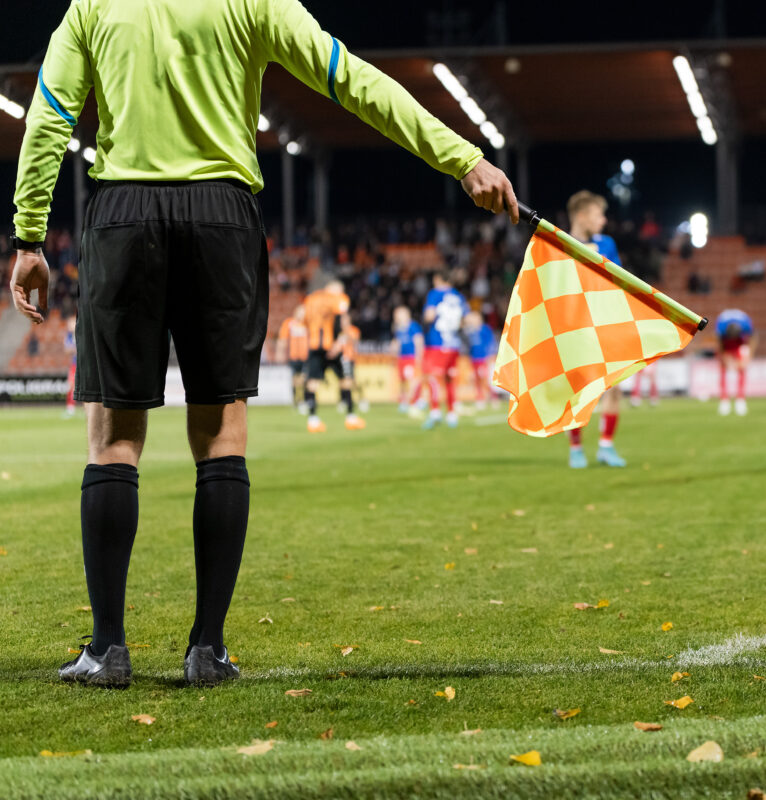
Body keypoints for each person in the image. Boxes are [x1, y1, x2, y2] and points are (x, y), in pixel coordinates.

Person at [9, 0, 518, 688]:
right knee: (222, 432)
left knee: (113, 435)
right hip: (222, 217)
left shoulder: (93, 6)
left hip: (124, 215)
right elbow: (356, 82)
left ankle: (107, 650)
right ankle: (206, 651)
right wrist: (461, 159)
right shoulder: (254, 1)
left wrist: (30, 237)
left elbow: (48, 118)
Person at [564, 191, 625, 469]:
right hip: (573, 329)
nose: (604, 220)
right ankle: (576, 448)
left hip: (605, 324)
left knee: (613, 388)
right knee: (576, 391)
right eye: (598, 215)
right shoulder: (559, 244)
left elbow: (620, 279)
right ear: (581, 216)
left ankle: (606, 446)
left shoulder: (607, 243)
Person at [301, 280, 351, 433]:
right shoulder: (337, 299)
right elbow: (343, 320)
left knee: (313, 382)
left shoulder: (310, 299)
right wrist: (339, 343)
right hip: (332, 345)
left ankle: (313, 419)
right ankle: (350, 416)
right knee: (345, 379)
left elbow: (305, 322)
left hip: (314, 345)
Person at [422, 271, 467, 429]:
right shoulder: (458, 296)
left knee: (433, 378)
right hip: (453, 343)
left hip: (437, 342)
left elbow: (429, 316)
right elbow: (464, 321)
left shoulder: (435, 294)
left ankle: (435, 412)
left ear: (437, 279)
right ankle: (451, 413)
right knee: (449, 379)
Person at [715, 308, 756, 416]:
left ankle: (740, 400)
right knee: (723, 368)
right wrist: (724, 358)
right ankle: (724, 400)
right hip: (725, 343)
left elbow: (753, 339)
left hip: (740, 343)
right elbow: (719, 344)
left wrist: (749, 357)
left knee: (742, 368)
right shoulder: (721, 326)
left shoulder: (746, 324)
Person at [274, 305, 309, 411]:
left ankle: (303, 400)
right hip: (293, 356)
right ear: (295, 312)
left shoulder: (307, 324)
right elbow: (282, 339)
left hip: (305, 356)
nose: (302, 314)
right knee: (295, 379)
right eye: (300, 312)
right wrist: (279, 353)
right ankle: (296, 401)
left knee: (304, 379)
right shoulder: (289, 323)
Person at [332, 320, 366, 427]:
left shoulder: (353, 330)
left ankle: (361, 399)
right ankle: (343, 401)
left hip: (349, 358)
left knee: (352, 381)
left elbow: (355, 341)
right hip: (339, 359)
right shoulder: (336, 330)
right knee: (342, 382)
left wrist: (346, 335)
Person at [392, 305, 424, 414]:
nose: (395, 316)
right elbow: (398, 342)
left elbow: (418, 340)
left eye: (398, 314)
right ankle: (404, 400)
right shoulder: (398, 328)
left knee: (412, 380)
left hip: (411, 357)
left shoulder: (413, 326)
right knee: (402, 380)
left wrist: (419, 356)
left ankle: (414, 400)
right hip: (402, 357)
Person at [463, 310, 496, 410]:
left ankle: (494, 397)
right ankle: (480, 398)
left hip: (483, 359)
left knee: (485, 379)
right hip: (474, 359)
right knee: (476, 379)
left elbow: (490, 343)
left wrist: (489, 356)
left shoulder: (485, 329)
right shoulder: (470, 331)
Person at [64, 313, 78, 418]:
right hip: (75, 364)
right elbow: (67, 350)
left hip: (83, 364)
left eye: (71, 323)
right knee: (71, 386)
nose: (69, 325)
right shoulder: (69, 336)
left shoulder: (81, 333)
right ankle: (70, 408)